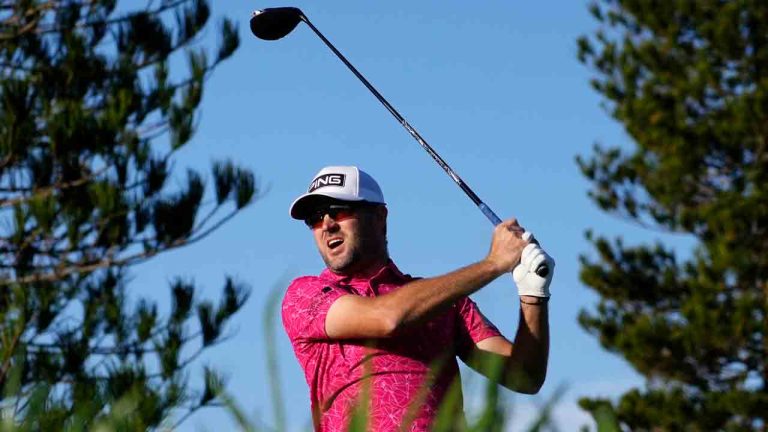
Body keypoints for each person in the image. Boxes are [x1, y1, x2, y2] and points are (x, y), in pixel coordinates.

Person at [282, 165, 555, 431]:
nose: (327, 225)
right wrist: (494, 263)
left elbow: (525, 377)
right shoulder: (305, 295)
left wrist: (533, 294)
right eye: (315, 219)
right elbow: (388, 318)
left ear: (380, 217)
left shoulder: (444, 301)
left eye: (338, 211)